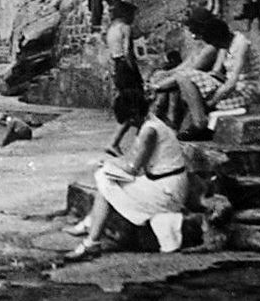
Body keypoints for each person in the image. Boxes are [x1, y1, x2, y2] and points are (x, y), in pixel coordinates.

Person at [64, 95, 190, 260]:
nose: (128, 124)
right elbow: (133, 158)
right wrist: (111, 164)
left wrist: (109, 164)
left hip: (168, 190)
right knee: (105, 179)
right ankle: (90, 232)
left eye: (130, 120)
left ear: (135, 115)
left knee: (105, 181)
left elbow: (133, 168)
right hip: (161, 182)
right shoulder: (149, 123)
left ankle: (91, 240)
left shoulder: (149, 131)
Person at [150, 13, 257, 140]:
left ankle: (199, 123)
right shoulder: (226, 43)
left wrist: (212, 101)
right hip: (231, 88)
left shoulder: (241, 43)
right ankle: (196, 122)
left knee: (183, 77)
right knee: (184, 80)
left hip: (243, 93)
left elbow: (232, 82)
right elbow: (216, 73)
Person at [105, 3, 146, 157]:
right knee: (135, 106)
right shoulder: (125, 27)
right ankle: (117, 143)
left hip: (117, 67)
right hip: (126, 68)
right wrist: (135, 71)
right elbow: (128, 51)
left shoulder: (111, 29)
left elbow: (111, 54)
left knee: (130, 106)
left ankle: (135, 144)